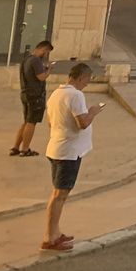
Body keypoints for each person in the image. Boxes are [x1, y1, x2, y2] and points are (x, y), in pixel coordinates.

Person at [43, 62, 105, 252]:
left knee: (57, 194)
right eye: (87, 79)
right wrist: (93, 111)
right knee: (59, 196)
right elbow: (82, 123)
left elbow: (51, 121)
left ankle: (55, 232)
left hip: (57, 147)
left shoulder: (56, 93)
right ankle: (50, 237)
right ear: (80, 78)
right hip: (68, 152)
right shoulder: (76, 95)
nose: (88, 83)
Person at [12, 40, 53, 157]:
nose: (47, 55)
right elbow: (41, 77)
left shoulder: (27, 59)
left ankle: (16, 147)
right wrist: (49, 70)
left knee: (26, 122)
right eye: (47, 52)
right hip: (34, 96)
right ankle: (25, 149)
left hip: (25, 94)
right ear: (44, 50)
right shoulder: (36, 61)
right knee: (31, 122)